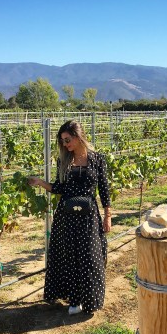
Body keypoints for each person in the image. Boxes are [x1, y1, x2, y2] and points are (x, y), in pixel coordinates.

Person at [28, 120, 111, 315]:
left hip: (89, 217)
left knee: (91, 257)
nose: (65, 145)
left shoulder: (97, 159)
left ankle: (90, 301)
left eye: (67, 140)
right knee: (70, 258)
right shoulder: (64, 161)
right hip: (66, 217)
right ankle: (74, 300)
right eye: (62, 141)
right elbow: (59, 188)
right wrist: (40, 182)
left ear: (78, 136)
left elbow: (105, 190)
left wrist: (108, 216)